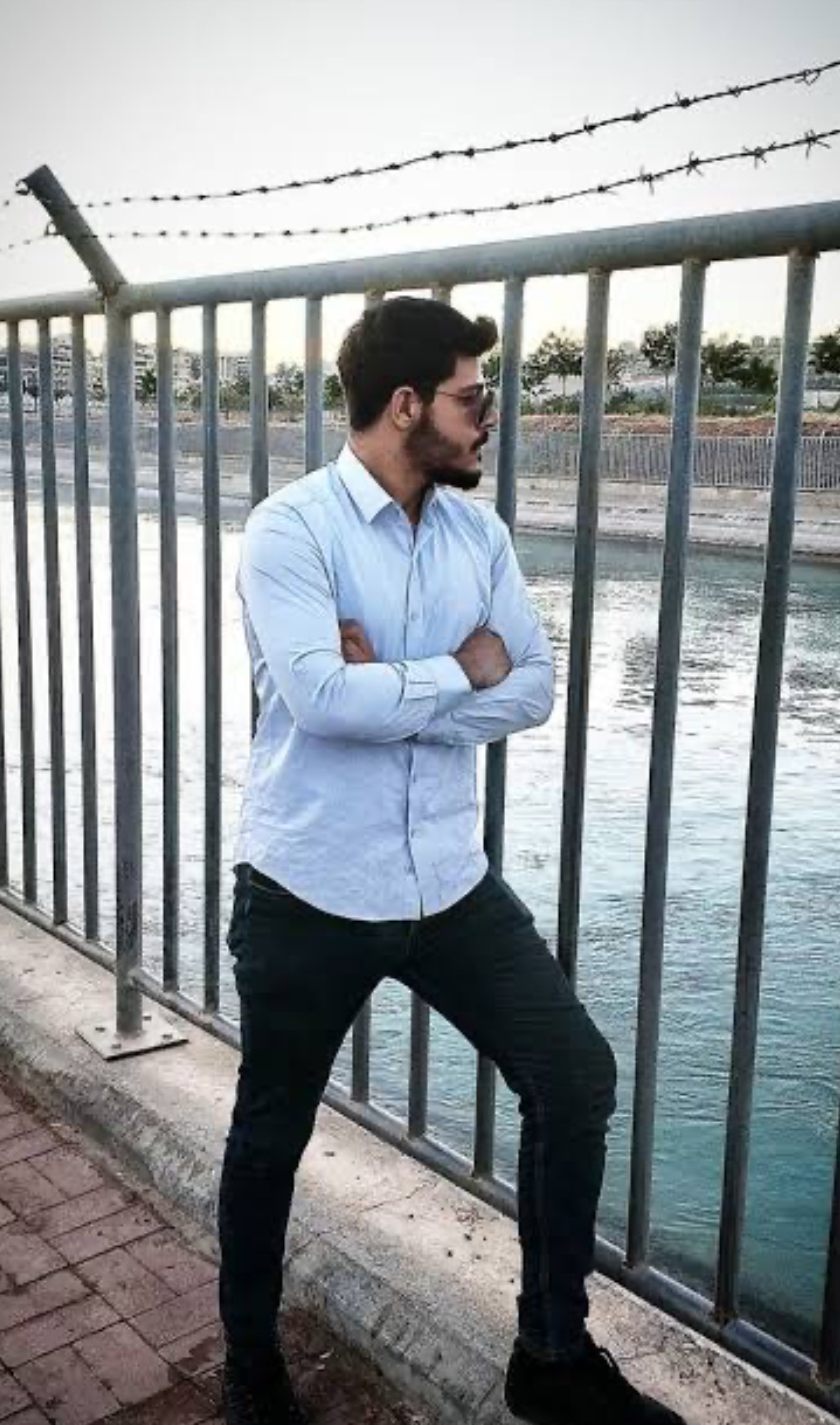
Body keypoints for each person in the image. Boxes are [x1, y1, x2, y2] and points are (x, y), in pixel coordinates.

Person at [218, 295, 684, 1425]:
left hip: (447, 880)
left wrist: (392, 688)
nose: (490, 417)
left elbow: (532, 685)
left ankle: (551, 1358)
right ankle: (251, 1368)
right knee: (271, 1133)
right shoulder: (290, 530)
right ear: (404, 404)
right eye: (473, 397)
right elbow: (321, 704)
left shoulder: (480, 535)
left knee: (573, 1077)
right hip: (309, 885)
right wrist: (452, 670)